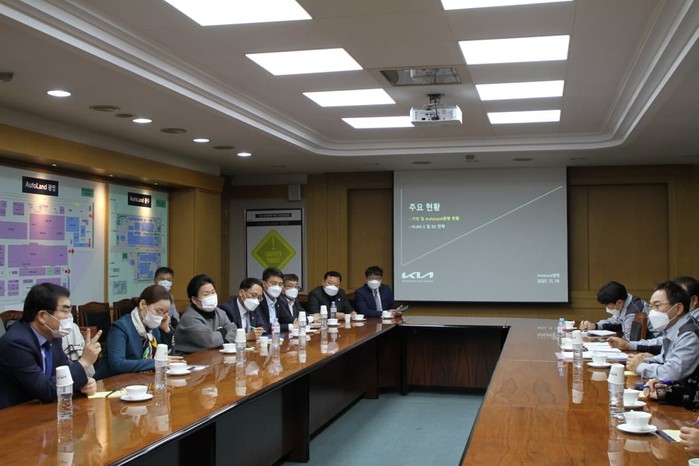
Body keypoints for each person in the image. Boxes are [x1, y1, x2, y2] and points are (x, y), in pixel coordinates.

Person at [0, 283, 101, 409]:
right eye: (65, 311)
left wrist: (83, 385)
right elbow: (46, 390)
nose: (70, 317)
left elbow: (63, 376)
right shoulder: (15, 343)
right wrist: (84, 362)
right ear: (42, 316)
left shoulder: (53, 337)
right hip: (14, 414)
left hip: (43, 409)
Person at [95, 284, 178, 379]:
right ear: (142, 305)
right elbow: (117, 364)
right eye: (158, 311)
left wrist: (166, 330)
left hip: (140, 380)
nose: (161, 316)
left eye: (164, 313)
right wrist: (155, 363)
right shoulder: (120, 327)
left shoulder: (153, 327)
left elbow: (169, 359)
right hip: (111, 381)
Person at [626, 280, 699, 381]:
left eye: (657, 306)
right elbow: (666, 359)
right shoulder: (672, 327)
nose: (652, 312)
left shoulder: (689, 334)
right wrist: (645, 359)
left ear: (678, 308)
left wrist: (640, 366)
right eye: (651, 307)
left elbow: (673, 373)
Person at [608, 276, 699, 354]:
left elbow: (674, 367)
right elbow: (663, 344)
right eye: (652, 306)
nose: (679, 298)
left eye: (657, 305)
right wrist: (629, 345)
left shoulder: (690, 330)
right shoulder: (675, 324)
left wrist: (642, 364)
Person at [174, 274, 237, 354]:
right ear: (194, 300)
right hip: (190, 358)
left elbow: (234, 330)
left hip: (214, 356)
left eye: (213, 292)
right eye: (206, 294)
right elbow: (210, 341)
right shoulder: (189, 318)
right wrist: (223, 331)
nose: (211, 296)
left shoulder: (220, 312)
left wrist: (220, 335)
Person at [579, 281, 648, 340]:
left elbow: (629, 342)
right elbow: (614, 321)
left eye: (608, 306)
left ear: (619, 302)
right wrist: (594, 326)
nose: (607, 308)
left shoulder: (632, 313)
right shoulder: (625, 300)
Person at [256, 267, 295, 333]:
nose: (277, 287)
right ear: (264, 284)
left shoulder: (279, 299)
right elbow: (263, 326)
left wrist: (296, 322)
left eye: (280, 284)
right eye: (273, 283)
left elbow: (287, 318)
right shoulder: (258, 300)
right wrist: (290, 326)